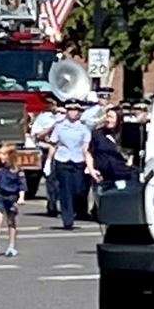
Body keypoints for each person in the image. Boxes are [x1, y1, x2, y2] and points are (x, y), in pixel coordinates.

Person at [32, 98, 96, 230]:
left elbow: (86, 147)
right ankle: (67, 219)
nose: (73, 112)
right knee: (65, 190)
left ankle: (76, 209)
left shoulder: (84, 127)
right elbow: (54, 145)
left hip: (78, 161)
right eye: (70, 109)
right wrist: (49, 161)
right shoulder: (60, 126)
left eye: (76, 110)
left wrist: (89, 165)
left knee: (79, 190)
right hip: (63, 160)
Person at [0, 151, 26, 259]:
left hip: (11, 197)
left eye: (3, 154)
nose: (0, 156)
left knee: (11, 221)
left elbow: (21, 185)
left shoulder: (17, 170)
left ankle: (11, 246)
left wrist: (21, 197)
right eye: (0, 154)